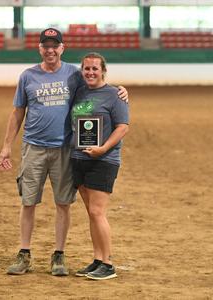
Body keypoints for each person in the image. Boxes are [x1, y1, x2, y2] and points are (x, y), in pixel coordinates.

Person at [0, 28, 128, 276]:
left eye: (54, 46)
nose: (50, 50)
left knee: (63, 204)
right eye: (45, 46)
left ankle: (59, 255)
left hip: (64, 150)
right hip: (33, 147)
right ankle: (24, 253)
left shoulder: (74, 74)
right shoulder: (28, 76)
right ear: (40, 49)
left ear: (61, 48)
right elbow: (17, 112)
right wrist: (6, 146)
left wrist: (120, 90)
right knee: (28, 203)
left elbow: (98, 84)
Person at [71, 52, 129, 280]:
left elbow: (123, 127)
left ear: (103, 70)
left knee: (97, 211)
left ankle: (107, 263)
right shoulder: (79, 91)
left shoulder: (115, 95)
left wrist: (104, 148)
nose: (91, 72)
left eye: (95, 68)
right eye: (87, 68)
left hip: (103, 160)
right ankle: (97, 259)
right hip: (80, 158)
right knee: (91, 213)